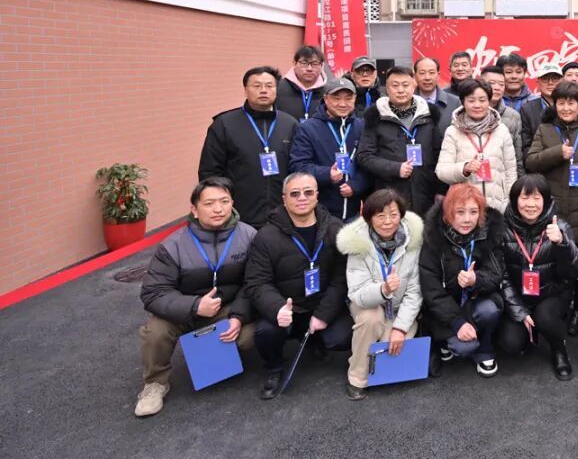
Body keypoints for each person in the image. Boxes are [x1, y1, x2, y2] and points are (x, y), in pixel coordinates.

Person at [134, 178, 257, 417]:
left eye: (224, 201)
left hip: (227, 307)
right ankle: (155, 384)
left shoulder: (249, 235)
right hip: (185, 308)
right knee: (155, 332)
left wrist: (238, 316)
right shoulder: (173, 244)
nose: (218, 209)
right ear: (194, 209)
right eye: (209, 203)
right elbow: (153, 292)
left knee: (251, 334)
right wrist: (195, 305)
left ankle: (224, 358)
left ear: (232, 203)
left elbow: (255, 282)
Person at [245, 172, 351, 399]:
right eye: (294, 194)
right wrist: (277, 308)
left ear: (317, 195)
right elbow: (257, 282)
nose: (302, 198)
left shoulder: (335, 228)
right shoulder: (266, 236)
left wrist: (323, 314)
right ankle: (274, 367)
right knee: (265, 333)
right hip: (287, 306)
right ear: (284, 199)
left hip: (320, 303)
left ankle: (314, 339)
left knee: (342, 336)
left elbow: (341, 277)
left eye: (308, 192)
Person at [524, 80, 578, 336]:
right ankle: (558, 308)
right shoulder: (545, 129)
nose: (565, 108)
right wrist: (556, 153)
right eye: (561, 102)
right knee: (556, 263)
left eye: (571, 103)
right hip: (552, 212)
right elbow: (530, 162)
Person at [335, 189, 424, 400]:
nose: (388, 222)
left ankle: (382, 355)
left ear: (401, 215)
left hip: (399, 307)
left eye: (393, 214)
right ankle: (357, 378)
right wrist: (383, 290)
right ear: (369, 218)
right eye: (380, 215)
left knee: (388, 342)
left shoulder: (413, 242)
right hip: (367, 304)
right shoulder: (358, 243)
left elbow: (415, 292)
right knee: (371, 319)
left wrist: (400, 328)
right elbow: (357, 292)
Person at [497, 175, 578, 380]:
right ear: (514, 200)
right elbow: (502, 276)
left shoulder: (559, 227)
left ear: (546, 200)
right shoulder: (502, 229)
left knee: (545, 317)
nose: (531, 204)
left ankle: (558, 349)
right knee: (511, 343)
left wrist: (562, 244)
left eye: (537, 198)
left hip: (552, 294)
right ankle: (530, 331)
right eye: (524, 198)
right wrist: (519, 311)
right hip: (519, 296)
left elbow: (577, 270)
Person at [419, 183, 505, 377]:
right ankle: (445, 341)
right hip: (445, 308)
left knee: (490, 310)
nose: (467, 219)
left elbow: (495, 275)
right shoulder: (434, 239)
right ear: (448, 213)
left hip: (474, 301)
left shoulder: (487, 234)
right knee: (464, 347)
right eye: (460, 212)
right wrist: (457, 322)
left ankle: (485, 350)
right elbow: (431, 291)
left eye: (474, 212)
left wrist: (476, 279)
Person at [198, 66, 299, 229]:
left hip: (283, 216)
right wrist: (221, 206)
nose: (263, 90)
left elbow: (298, 167)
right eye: (257, 86)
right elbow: (210, 172)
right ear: (245, 90)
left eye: (269, 86)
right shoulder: (225, 124)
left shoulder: (290, 123)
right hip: (240, 217)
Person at [356, 66, 446, 217]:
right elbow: (364, 156)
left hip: (425, 192)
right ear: (387, 88)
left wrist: (441, 189)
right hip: (389, 195)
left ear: (414, 85)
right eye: (395, 85)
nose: (400, 90)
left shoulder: (429, 115)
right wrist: (396, 168)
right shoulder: (375, 116)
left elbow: (439, 155)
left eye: (405, 85)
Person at [288, 77, 369, 222]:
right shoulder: (308, 128)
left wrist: (356, 185)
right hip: (320, 214)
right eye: (336, 98)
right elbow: (298, 166)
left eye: (348, 98)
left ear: (355, 99)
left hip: (354, 214)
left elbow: (369, 163)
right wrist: (327, 174)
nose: (342, 104)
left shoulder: (362, 127)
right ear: (326, 99)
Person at [436, 78, 518, 213]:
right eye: (471, 100)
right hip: (465, 207)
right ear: (463, 102)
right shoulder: (453, 132)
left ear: (489, 101)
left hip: (498, 207)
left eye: (482, 100)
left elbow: (510, 171)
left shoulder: (502, 130)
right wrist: (464, 168)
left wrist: (509, 201)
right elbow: (442, 171)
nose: (477, 105)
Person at [480, 64, 524, 176]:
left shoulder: (513, 116)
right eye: (491, 83)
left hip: (502, 178)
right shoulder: (466, 113)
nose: (497, 88)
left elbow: (517, 155)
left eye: (501, 84)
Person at [519, 61, 563, 156]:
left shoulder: (571, 107)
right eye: (545, 79)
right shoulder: (527, 109)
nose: (550, 83)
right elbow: (526, 146)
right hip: (539, 161)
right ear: (538, 82)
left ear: (562, 81)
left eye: (555, 78)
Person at [276, 45, 328, 122]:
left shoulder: (328, 92)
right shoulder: (278, 88)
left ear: (321, 65)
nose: (309, 69)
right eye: (304, 63)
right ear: (294, 63)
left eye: (315, 64)